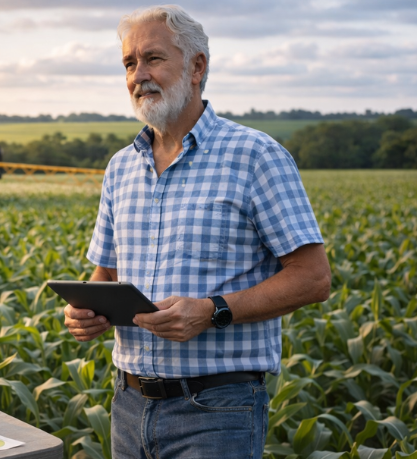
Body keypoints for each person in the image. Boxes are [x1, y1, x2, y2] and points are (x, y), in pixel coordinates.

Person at [64, 5, 331, 458]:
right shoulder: (120, 167)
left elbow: (313, 277)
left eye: (153, 59)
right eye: (129, 63)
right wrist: (86, 312)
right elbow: (103, 276)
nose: (139, 75)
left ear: (197, 67)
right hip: (128, 405)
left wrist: (211, 311)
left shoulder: (254, 155)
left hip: (217, 410)